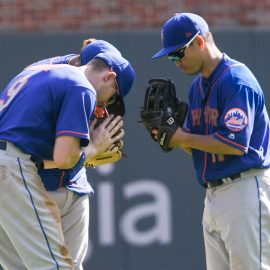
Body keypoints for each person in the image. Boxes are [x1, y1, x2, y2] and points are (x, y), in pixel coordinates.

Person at [152, 12, 270, 270]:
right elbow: (197, 144)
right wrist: (172, 137)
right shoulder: (198, 87)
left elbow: (235, 143)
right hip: (214, 195)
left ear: (199, 42)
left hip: (244, 190)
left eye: (178, 53)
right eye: (170, 56)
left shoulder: (236, 81)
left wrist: (182, 136)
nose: (175, 62)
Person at [0, 51, 135, 270]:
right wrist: (93, 147)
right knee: (56, 266)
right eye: (112, 97)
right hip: (12, 168)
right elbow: (64, 158)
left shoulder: (39, 69)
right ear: (109, 77)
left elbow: (39, 154)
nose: (104, 106)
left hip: (11, 162)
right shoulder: (81, 86)